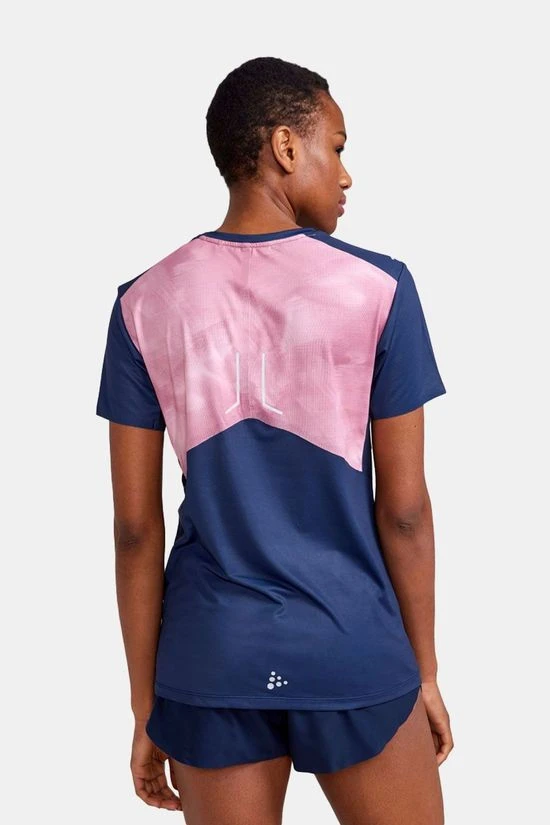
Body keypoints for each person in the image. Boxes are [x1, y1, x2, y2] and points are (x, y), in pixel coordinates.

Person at [96, 55, 453, 824]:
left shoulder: (143, 303)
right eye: (338, 146)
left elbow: (134, 530)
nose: (347, 175)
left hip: (211, 656)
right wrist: (424, 672)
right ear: (286, 147)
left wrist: (146, 705)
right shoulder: (381, 289)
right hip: (351, 644)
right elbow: (405, 511)